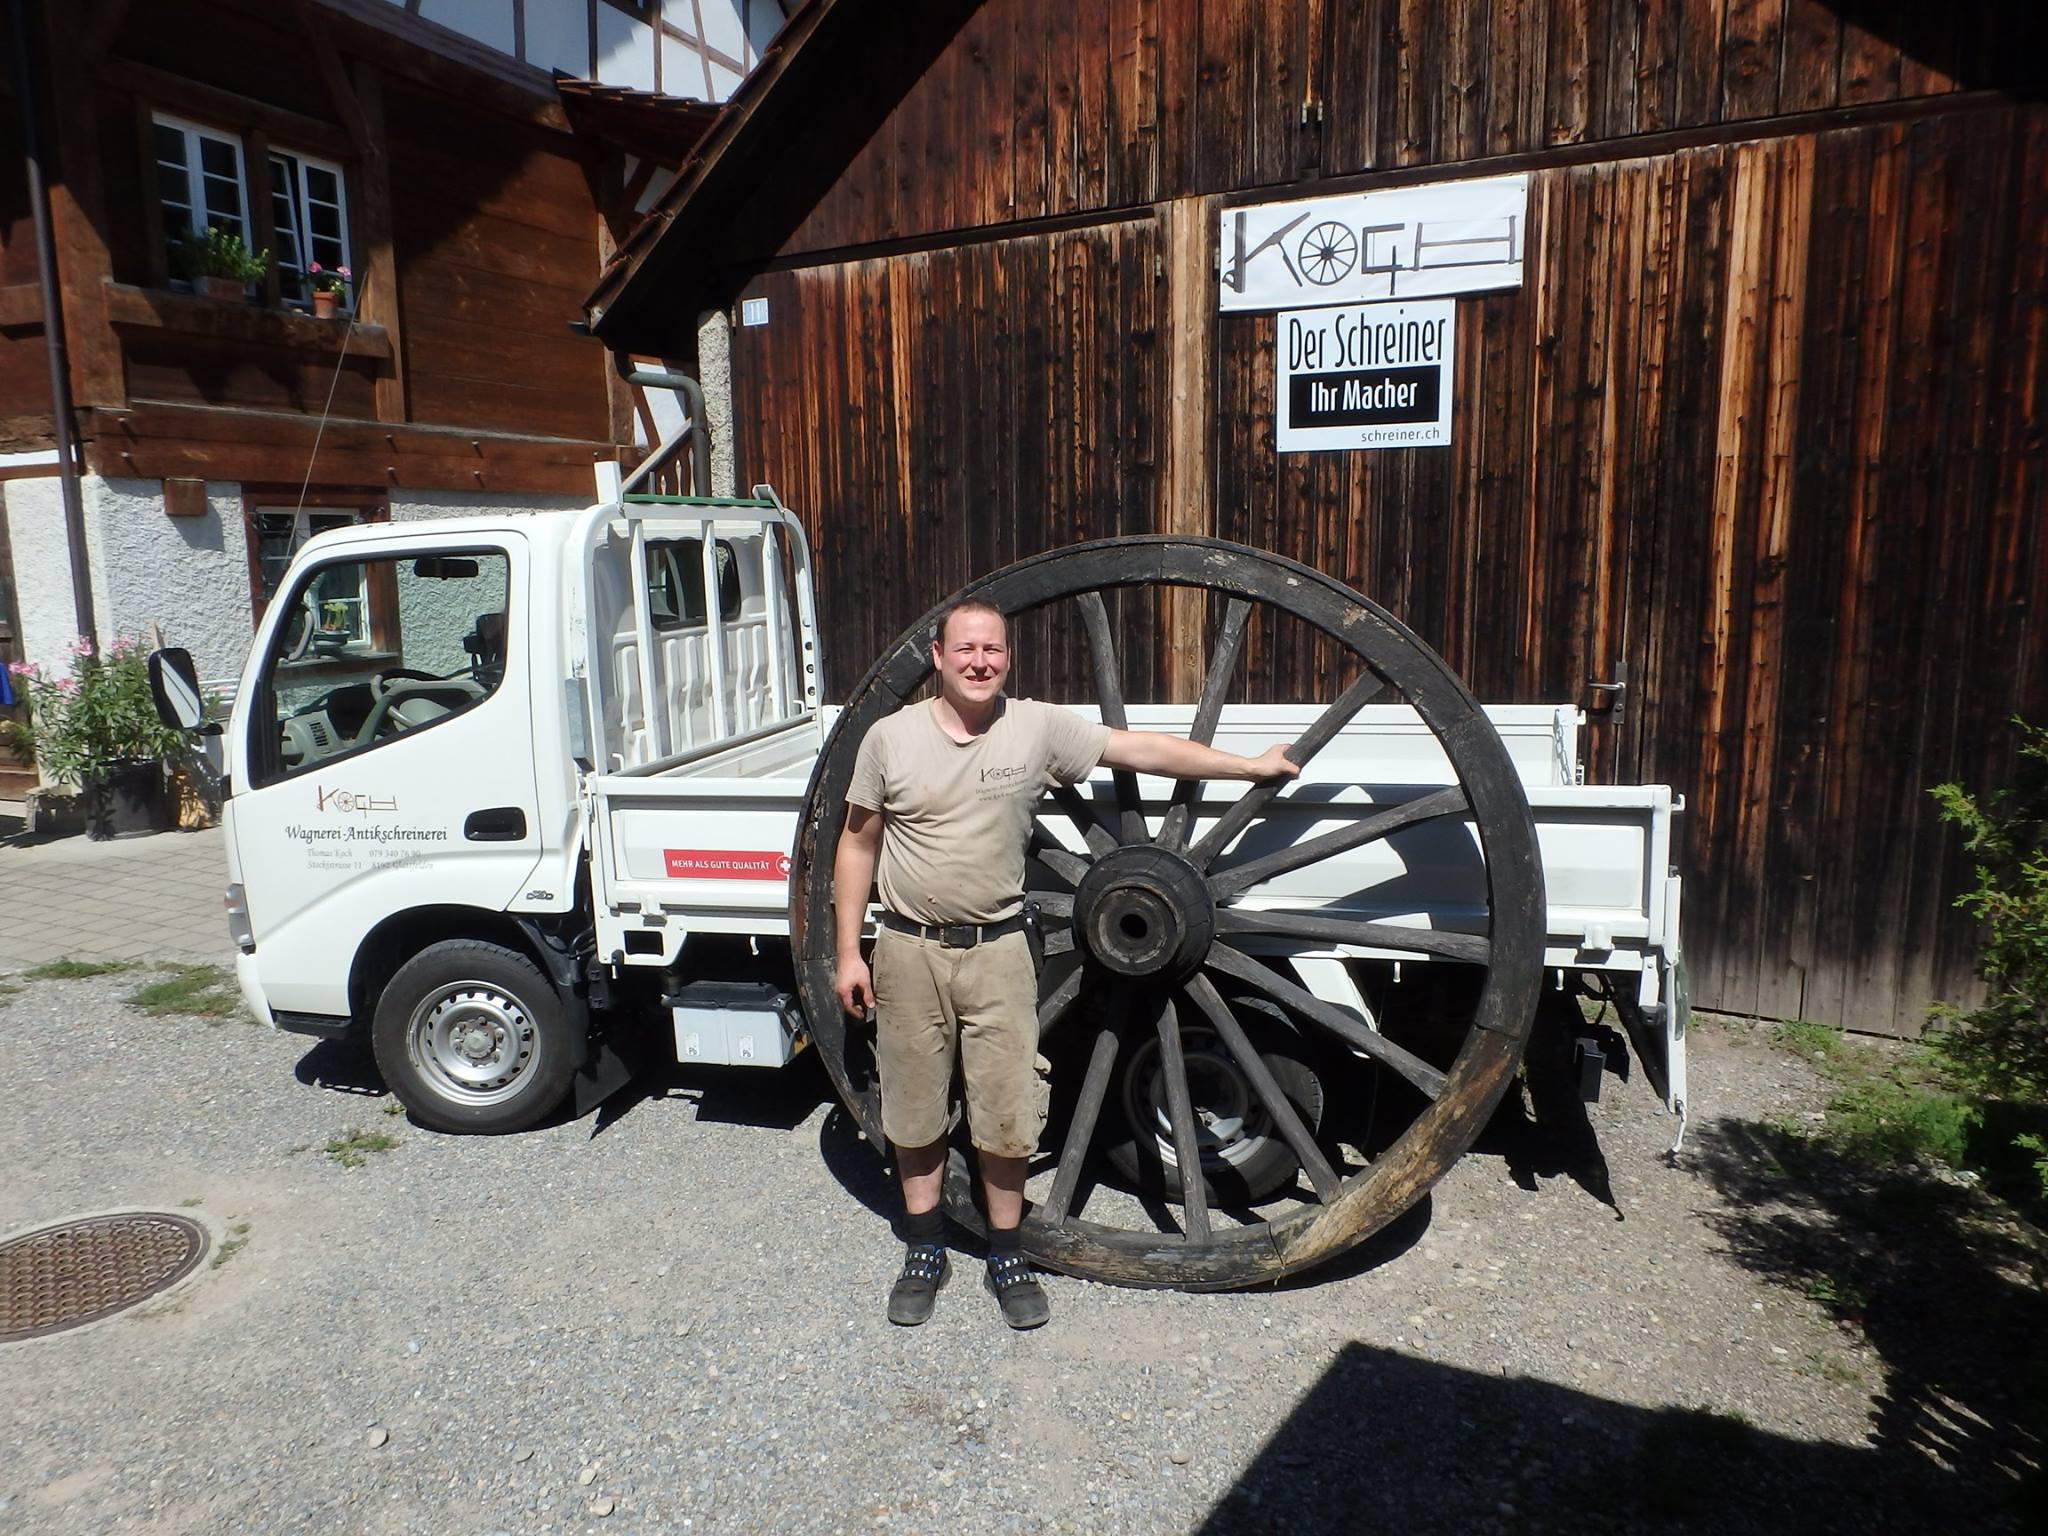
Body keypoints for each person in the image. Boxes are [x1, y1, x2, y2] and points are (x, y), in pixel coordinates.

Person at [833, 598, 1297, 1328]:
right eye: (966, 649)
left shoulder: (1037, 727)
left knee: (1008, 1108)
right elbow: (858, 843)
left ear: (1007, 657)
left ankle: (1007, 1253)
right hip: (908, 947)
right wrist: (847, 953)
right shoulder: (889, 739)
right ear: (938, 657)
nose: (980, 661)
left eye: (992, 649)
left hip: (999, 951)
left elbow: (1134, 749)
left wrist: (1245, 766)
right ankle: (923, 1247)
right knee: (915, 1105)